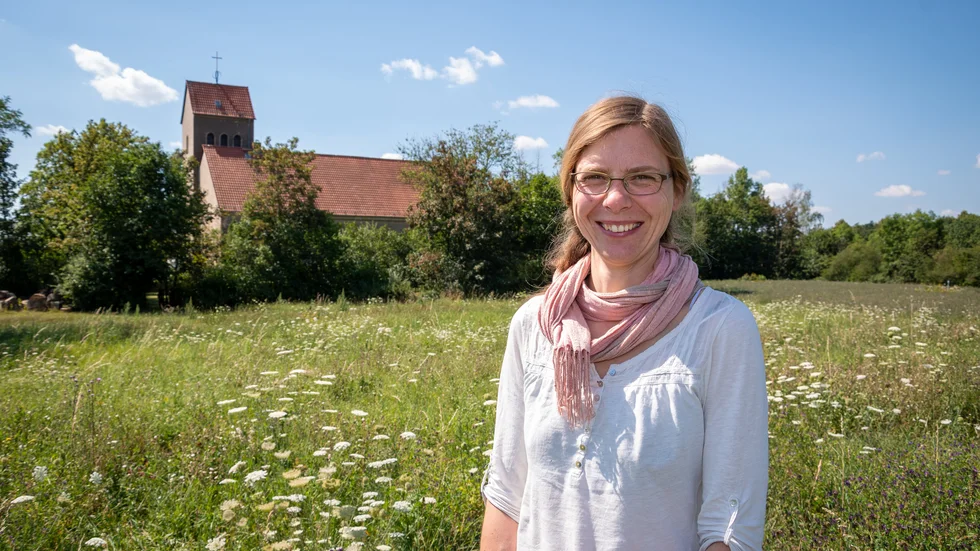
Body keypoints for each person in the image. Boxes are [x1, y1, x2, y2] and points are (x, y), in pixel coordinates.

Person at [479, 96, 768, 551]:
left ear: (677, 191)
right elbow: (506, 497)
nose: (615, 198)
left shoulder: (719, 328)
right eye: (594, 177)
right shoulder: (532, 324)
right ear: (571, 190)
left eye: (642, 178)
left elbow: (729, 527)